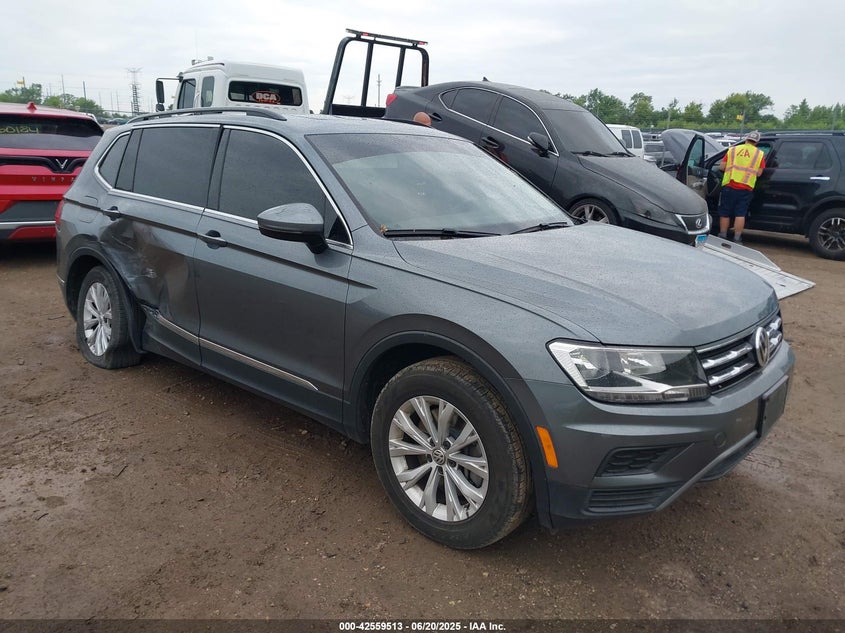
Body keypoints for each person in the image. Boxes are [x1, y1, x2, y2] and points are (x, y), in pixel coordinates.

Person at [717, 130, 766, 244]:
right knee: (740, 213)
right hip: (746, 187)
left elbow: (722, 167)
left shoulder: (733, 150)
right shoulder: (759, 154)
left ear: (746, 139)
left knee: (725, 212)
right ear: (756, 142)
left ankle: (723, 235)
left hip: (729, 185)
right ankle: (737, 238)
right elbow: (759, 173)